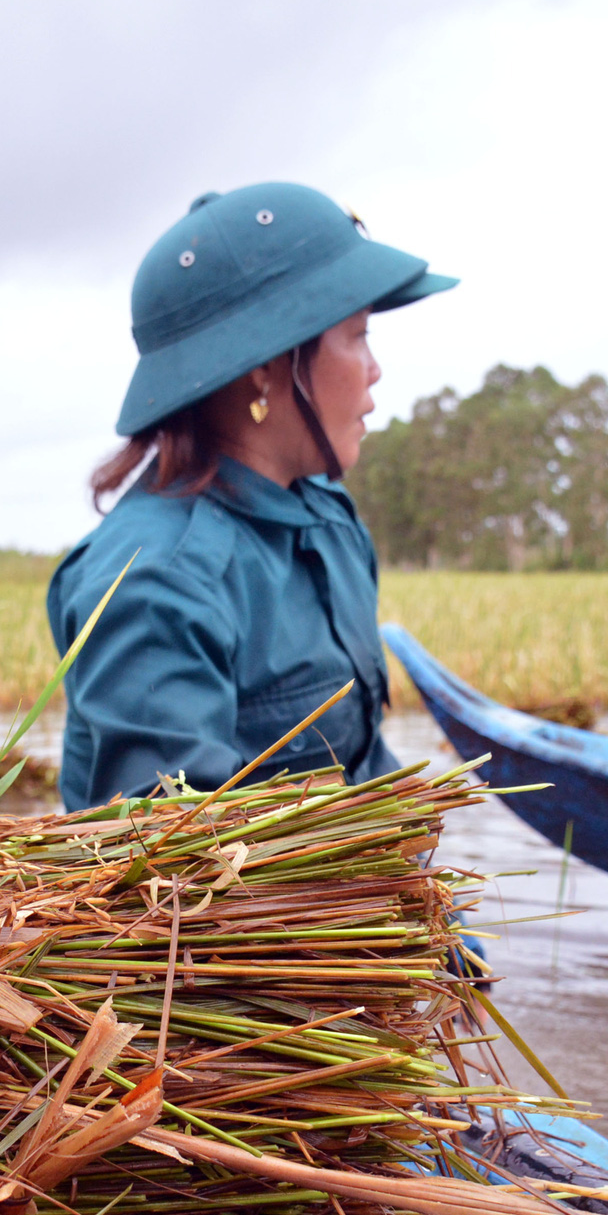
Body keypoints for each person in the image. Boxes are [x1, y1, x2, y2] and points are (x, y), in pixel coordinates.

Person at [47, 182, 455, 810]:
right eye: (357, 335)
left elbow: (360, 760)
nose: (375, 370)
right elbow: (173, 867)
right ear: (265, 366)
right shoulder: (154, 582)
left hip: (353, 895)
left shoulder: (328, 522)